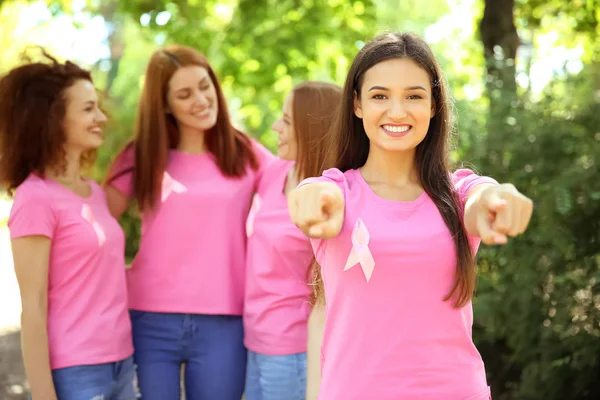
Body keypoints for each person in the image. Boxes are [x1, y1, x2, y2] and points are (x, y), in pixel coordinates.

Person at [288, 32, 534, 400]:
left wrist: (498, 200)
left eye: (414, 96)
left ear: (434, 105)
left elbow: (482, 198)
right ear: (356, 105)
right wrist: (306, 200)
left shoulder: (457, 194)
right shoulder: (337, 192)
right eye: (380, 96)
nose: (398, 111)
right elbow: (314, 196)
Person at [104, 45, 274, 400]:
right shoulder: (141, 156)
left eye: (204, 85)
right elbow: (92, 225)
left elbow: (294, 193)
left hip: (224, 320)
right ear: (165, 105)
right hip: (149, 319)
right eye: (184, 94)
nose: (200, 99)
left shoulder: (247, 154)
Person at [0, 52, 134, 400]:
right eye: (88, 108)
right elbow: (33, 306)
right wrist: (44, 395)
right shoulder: (36, 198)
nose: (100, 117)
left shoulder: (94, 194)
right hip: (77, 371)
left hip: (122, 361)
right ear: (53, 119)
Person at [243, 81, 341, 400]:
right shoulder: (275, 171)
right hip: (255, 340)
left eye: (286, 121)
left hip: (295, 350)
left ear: (312, 129)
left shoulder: (333, 195)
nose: (276, 127)